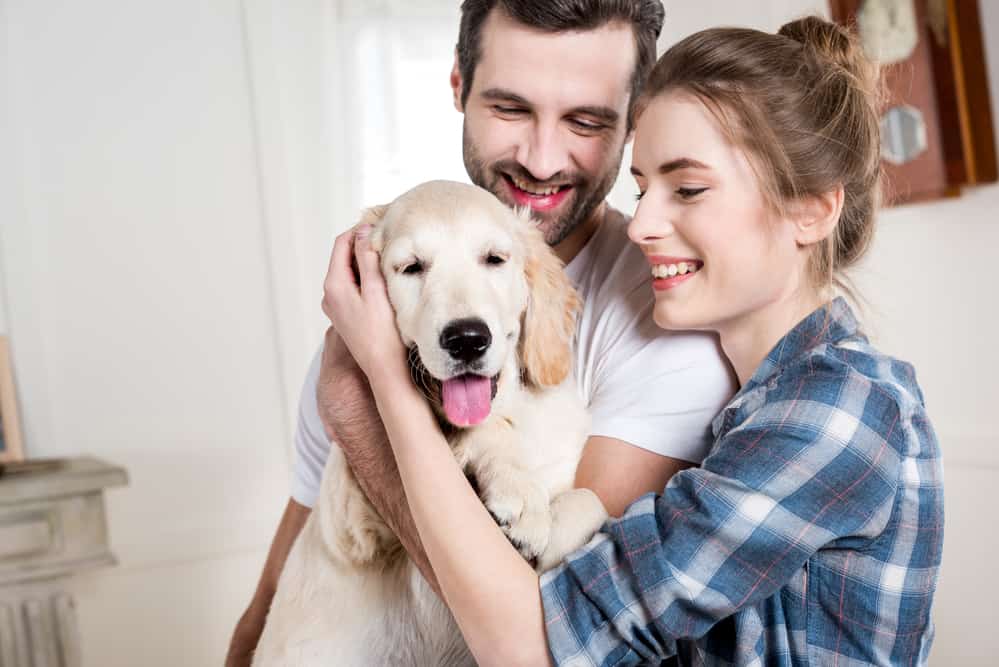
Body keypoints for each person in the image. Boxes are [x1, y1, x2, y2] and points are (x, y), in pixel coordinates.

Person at [323, 15, 945, 667]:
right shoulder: (758, 403)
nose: (642, 225)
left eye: (688, 189)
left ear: (811, 210)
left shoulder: (836, 410)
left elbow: (536, 648)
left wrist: (382, 387)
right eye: (643, 188)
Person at [226, 1, 737, 664]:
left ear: (634, 118)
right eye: (510, 109)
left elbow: (546, 636)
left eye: (585, 119)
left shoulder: (665, 326)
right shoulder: (383, 288)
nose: (542, 159)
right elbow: (285, 583)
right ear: (458, 87)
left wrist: (369, 405)